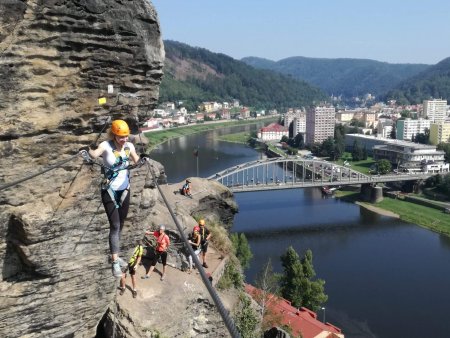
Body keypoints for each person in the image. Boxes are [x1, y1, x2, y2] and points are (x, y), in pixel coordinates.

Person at [81, 119, 147, 278]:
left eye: (125, 136)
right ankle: (115, 262)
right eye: (120, 136)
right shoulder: (105, 146)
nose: (123, 139)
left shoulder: (129, 146)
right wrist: (87, 150)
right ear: (114, 135)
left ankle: (116, 255)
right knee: (115, 225)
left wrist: (144, 160)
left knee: (121, 223)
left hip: (125, 189)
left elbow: (136, 161)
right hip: (109, 190)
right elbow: (94, 154)